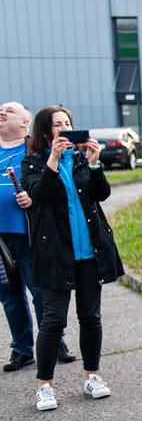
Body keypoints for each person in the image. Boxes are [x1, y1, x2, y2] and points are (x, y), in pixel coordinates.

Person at [21, 107, 122, 411]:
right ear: (44, 132)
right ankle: (45, 386)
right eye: (58, 125)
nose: (65, 129)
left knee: (90, 316)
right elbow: (38, 196)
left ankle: (92, 376)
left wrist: (94, 165)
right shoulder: (33, 163)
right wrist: (52, 160)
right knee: (53, 320)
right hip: (56, 253)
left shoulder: (80, 159)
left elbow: (101, 194)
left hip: (89, 252)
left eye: (68, 124)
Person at [0, 102, 76, 373]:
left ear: (24, 123)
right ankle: (22, 349)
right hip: (1, 239)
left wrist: (31, 197)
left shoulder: (34, 152)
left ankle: (55, 342)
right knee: (9, 296)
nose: (1, 111)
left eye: (8, 109)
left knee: (42, 292)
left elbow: (48, 186)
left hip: (30, 235)